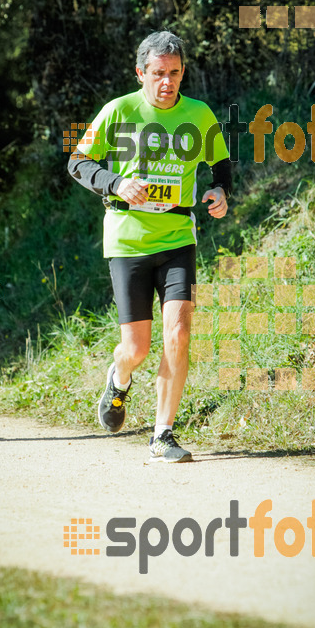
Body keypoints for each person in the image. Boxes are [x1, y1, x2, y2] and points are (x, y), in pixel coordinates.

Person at [68, 31, 231, 463]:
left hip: (178, 237)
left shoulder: (199, 114)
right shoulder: (118, 111)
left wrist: (219, 191)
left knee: (178, 333)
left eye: (174, 73)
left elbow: (221, 163)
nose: (167, 82)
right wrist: (117, 182)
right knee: (136, 348)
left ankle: (163, 433)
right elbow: (77, 162)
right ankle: (119, 378)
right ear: (141, 72)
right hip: (127, 241)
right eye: (158, 73)